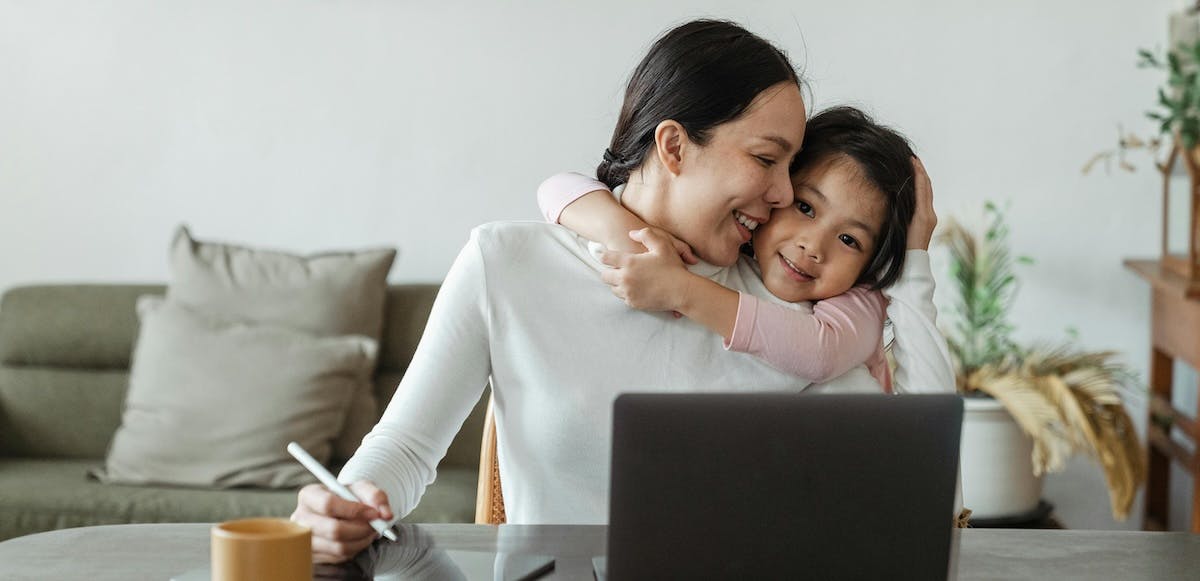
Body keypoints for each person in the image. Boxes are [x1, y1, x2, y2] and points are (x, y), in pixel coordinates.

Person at [291, 19, 954, 563]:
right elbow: (405, 449)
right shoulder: (507, 263)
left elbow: (917, 480)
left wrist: (916, 259)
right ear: (673, 146)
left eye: (791, 167)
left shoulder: (795, 312)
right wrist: (347, 499)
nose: (783, 195)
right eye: (764, 159)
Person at [537, 106, 926, 390]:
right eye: (805, 207)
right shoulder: (735, 246)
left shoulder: (860, 299)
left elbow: (820, 352)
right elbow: (557, 186)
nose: (813, 245)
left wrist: (682, 290)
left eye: (849, 240)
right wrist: (627, 234)